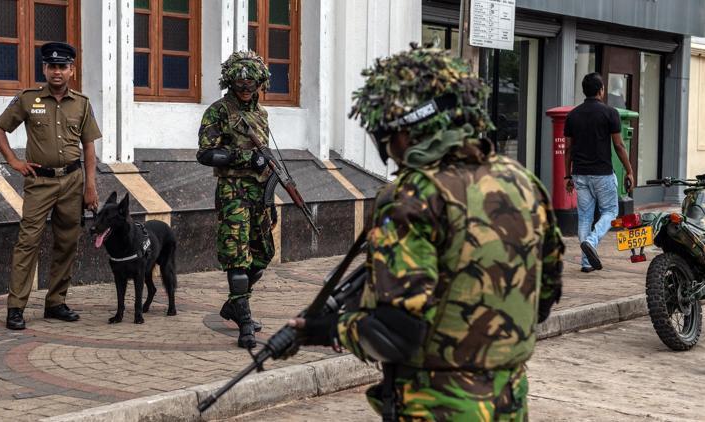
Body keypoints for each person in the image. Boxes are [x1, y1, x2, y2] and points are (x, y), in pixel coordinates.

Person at [288, 45, 565, 420]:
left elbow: (396, 333)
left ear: (408, 133)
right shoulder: (522, 181)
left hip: (436, 405)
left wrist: (332, 329)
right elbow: (544, 298)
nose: (389, 151)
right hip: (509, 401)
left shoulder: (414, 195)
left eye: (387, 138)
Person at [0, 42, 102, 330]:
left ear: (71, 71)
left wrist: (90, 186)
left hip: (72, 181)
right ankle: (16, 308)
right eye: (51, 66)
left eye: (62, 67)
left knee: (67, 243)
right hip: (39, 182)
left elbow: (88, 146)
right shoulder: (28, 99)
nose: (57, 71)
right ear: (44, 69)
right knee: (27, 243)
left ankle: (56, 302)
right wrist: (13, 160)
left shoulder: (82, 103)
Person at [196, 51, 275, 349]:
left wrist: (271, 195)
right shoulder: (218, 111)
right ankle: (244, 322)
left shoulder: (261, 114)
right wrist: (244, 157)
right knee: (237, 256)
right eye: (240, 81)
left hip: (260, 195)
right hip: (233, 195)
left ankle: (234, 305)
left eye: (251, 82)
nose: (245, 87)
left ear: (259, 82)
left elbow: (265, 158)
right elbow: (205, 153)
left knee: (263, 253)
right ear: (230, 80)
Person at [564, 72, 634, 272]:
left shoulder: (573, 115)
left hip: (579, 173)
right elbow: (619, 145)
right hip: (602, 173)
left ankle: (586, 263)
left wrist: (567, 175)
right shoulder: (610, 113)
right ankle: (592, 242)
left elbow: (568, 149)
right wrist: (629, 171)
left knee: (585, 216)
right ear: (601, 90)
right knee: (610, 212)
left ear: (584, 91)